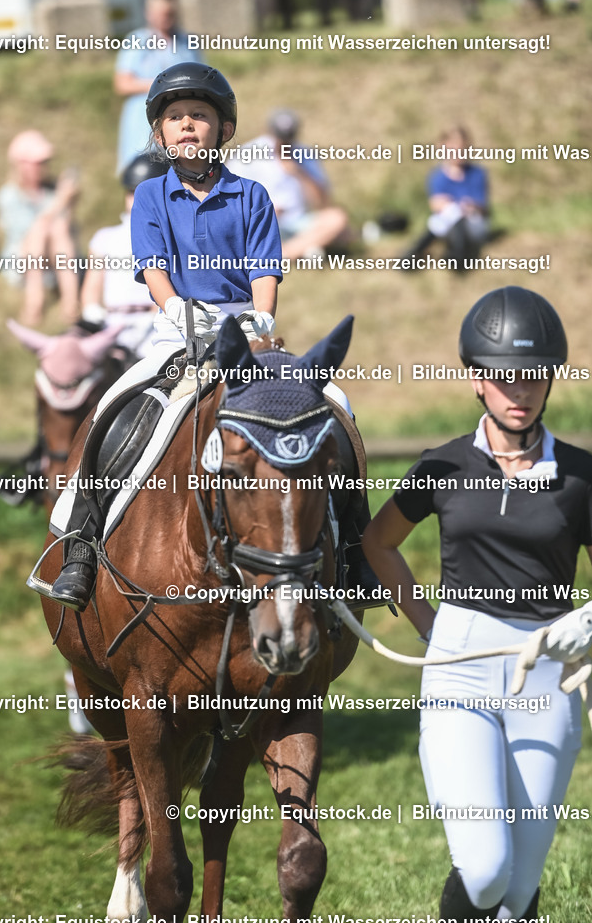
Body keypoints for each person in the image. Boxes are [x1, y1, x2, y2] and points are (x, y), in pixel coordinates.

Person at [362, 286, 592, 922]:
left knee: (517, 897)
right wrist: (433, 627)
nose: (520, 392)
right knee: (487, 870)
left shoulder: (581, 477)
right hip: (460, 667)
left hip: (548, 675)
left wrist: (587, 625)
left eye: (533, 379)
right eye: (504, 379)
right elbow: (378, 543)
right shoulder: (442, 466)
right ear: (476, 381)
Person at [46, 62, 283, 611]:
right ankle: (81, 546)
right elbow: (153, 267)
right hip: (176, 330)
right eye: (175, 117)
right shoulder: (151, 196)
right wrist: (178, 308)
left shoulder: (253, 195)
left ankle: (352, 553)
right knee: (112, 411)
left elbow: (264, 269)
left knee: (332, 405)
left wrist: (262, 317)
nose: (186, 125)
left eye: (199, 115)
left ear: (223, 130)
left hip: (247, 332)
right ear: (159, 133)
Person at [227, 109, 352, 259]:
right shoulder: (247, 154)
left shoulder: (304, 154)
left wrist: (300, 173)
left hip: (298, 222)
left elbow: (323, 203)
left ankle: (282, 254)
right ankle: (302, 250)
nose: (285, 143)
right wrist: (265, 210)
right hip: (262, 221)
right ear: (268, 132)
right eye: (280, 137)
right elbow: (230, 194)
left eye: (288, 138)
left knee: (337, 220)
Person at [80, 154, 166, 358]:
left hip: (153, 323)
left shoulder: (169, 236)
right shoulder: (104, 238)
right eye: (131, 192)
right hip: (111, 323)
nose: (135, 199)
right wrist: (91, 309)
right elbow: (91, 287)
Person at [114, 0, 201, 175]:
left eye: (170, 14)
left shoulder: (187, 42)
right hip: (143, 125)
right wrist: (165, 86)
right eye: (161, 14)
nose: (166, 19)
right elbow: (122, 83)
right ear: (148, 12)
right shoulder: (138, 41)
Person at [0, 130, 80, 325]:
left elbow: (68, 231)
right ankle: (36, 300)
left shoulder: (52, 191)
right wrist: (60, 202)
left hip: (53, 257)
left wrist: (70, 204)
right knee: (40, 232)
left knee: (58, 228)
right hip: (23, 259)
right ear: (21, 164)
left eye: (44, 161)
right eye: (37, 162)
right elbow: (29, 232)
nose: (42, 167)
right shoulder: (8, 196)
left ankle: (70, 303)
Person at [404, 126, 490, 269]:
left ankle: (415, 253)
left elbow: (482, 207)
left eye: (461, 148)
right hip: (448, 223)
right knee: (450, 212)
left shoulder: (477, 173)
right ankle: (452, 255)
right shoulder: (437, 176)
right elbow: (435, 204)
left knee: (452, 213)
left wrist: (469, 206)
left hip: (472, 223)